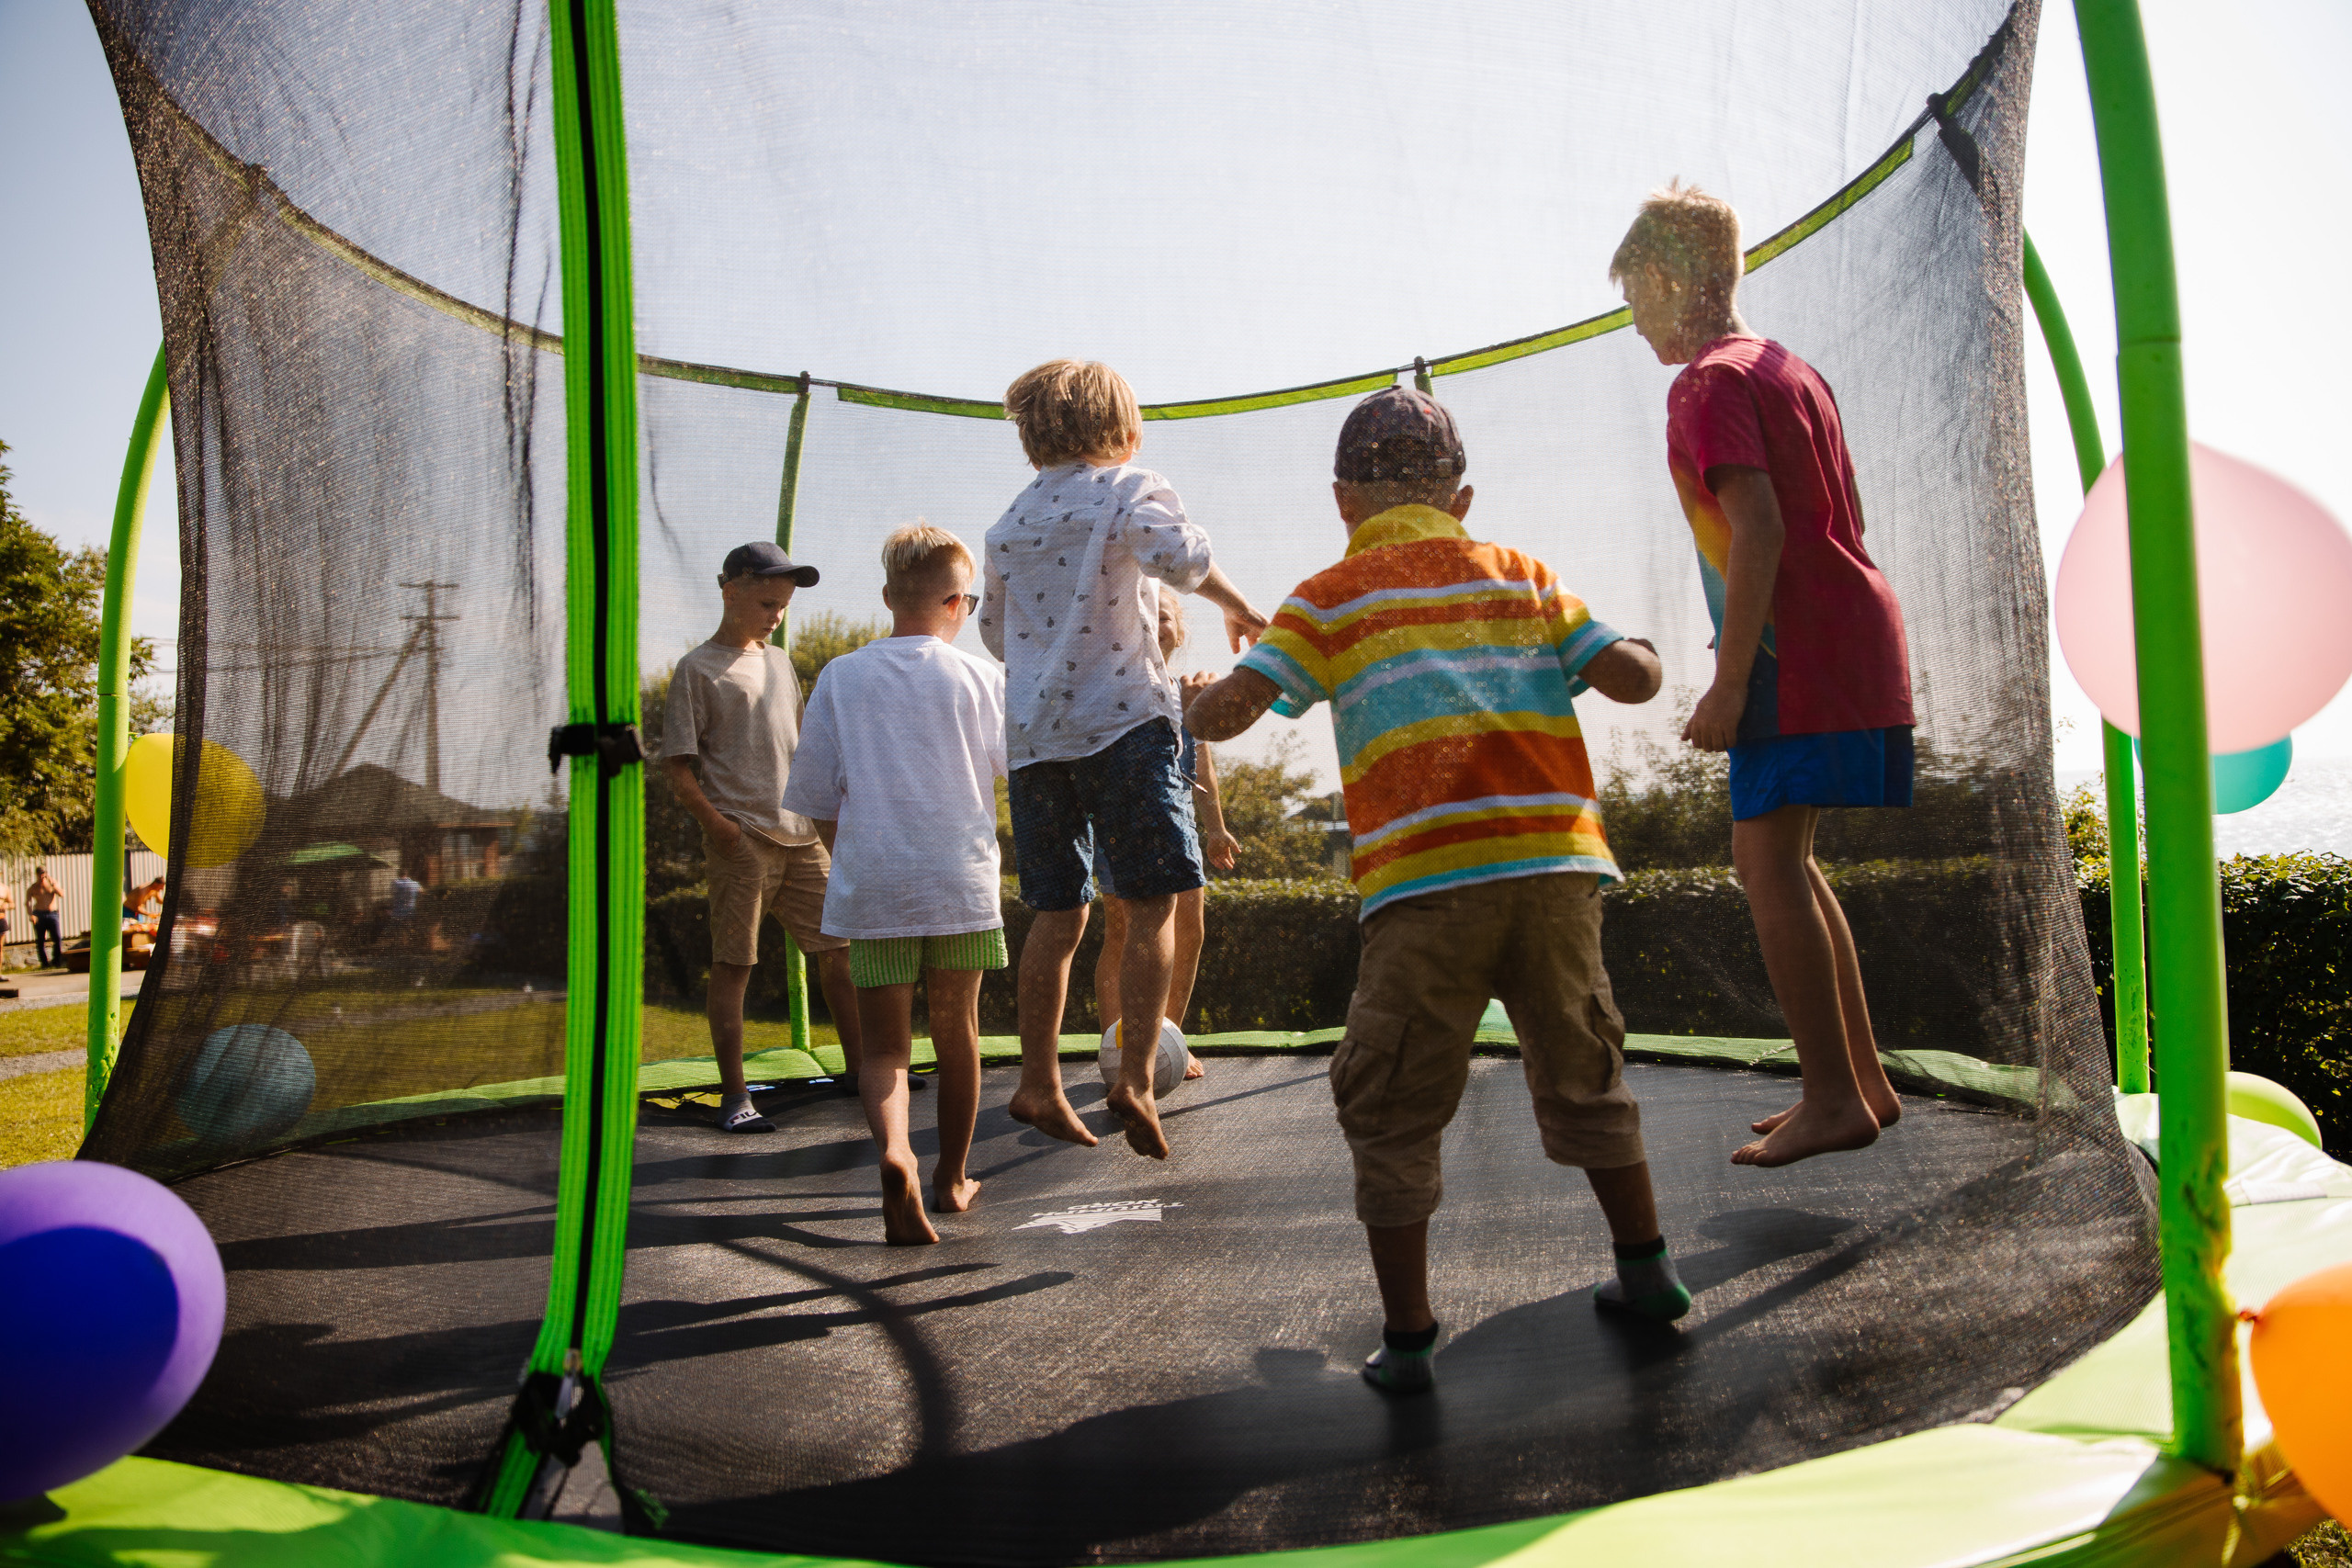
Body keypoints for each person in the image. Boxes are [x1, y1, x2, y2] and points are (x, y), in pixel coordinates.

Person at [1185, 386, 1689, 1396]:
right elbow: (1630, 679)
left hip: (1424, 888)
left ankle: (1409, 1336)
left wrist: (1200, 697)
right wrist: (1635, 649)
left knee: (1391, 1104)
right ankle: (1646, 1273)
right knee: (1585, 1067)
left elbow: (1233, 714)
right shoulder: (1524, 575)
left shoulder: (1325, 597)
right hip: (1554, 870)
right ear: (1459, 499)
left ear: (1342, 500)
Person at [1611, 182, 1914, 1168]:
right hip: (1852, 630)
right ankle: (1860, 1084)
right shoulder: (1791, 370)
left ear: (1667, 280)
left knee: (1761, 863)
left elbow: (1761, 529)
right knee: (1791, 859)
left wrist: (1730, 680)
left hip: (1796, 650)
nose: (1635, 322)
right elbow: (1824, 511)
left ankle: (1830, 1095)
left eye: (1634, 300)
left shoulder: (1705, 381)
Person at [978, 358, 1267, 1159]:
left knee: (1058, 910)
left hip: (1036, 740)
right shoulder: (1126, 488)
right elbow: (1179, 560)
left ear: (1034, 436)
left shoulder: (1009, 522)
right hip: (1122, 725)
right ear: (1122, 426)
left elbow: (997, 634)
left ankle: (1037, 1078)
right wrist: (1240, 606)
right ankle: (1136, 1076)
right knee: (1155, 901)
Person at [783, 524, 1007, 1244]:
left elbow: (815, 797)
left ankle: (895, 1152)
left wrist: (853, 858)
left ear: (887, 597)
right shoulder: (980, 677)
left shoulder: (841, 678)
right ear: (958, 604)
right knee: (958, 1033)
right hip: (960, 884)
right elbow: (1016, 776)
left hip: (876, 889)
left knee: (883, 1049)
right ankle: (951, 1177)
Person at [662, 541, 865, 1134]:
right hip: (742, 839)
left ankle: (862, 1072)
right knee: (735, 966)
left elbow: (804, 747)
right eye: (768, 600)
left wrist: (830, 815)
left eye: (783, 604)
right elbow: (677, 765)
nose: (777, 612)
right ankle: (735, 1097)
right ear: (731, 589)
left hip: (801, 838)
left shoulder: (778, 662)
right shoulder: (697, 669)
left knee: (840, 953)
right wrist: (720, 828)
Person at [1091, 589, 1237, 1071]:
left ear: (1181, 631)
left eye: (1167, 615)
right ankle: (1119, 1045)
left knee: (1190, 930)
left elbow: (1203, 766)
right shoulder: (1116, 687)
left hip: (1179, 829)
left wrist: (1215, 828)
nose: (1158, 621)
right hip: (1123, 826)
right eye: (1148, 615)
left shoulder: (1188, 691)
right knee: (1122, 932)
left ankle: (1167, 1037)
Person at [28, 869, 63, 967]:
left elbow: (61, 894)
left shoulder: (52, 884)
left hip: (52, 914)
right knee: (40, 940)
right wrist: (31, 915)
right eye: (40, 874)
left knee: (57, 938)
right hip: (39, 914)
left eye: (43, 874)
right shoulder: (34, 887)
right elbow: (28, 902)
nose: (42, 876)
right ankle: (44, 963)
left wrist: (53, 884)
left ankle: (56, 961)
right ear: (37, 875)